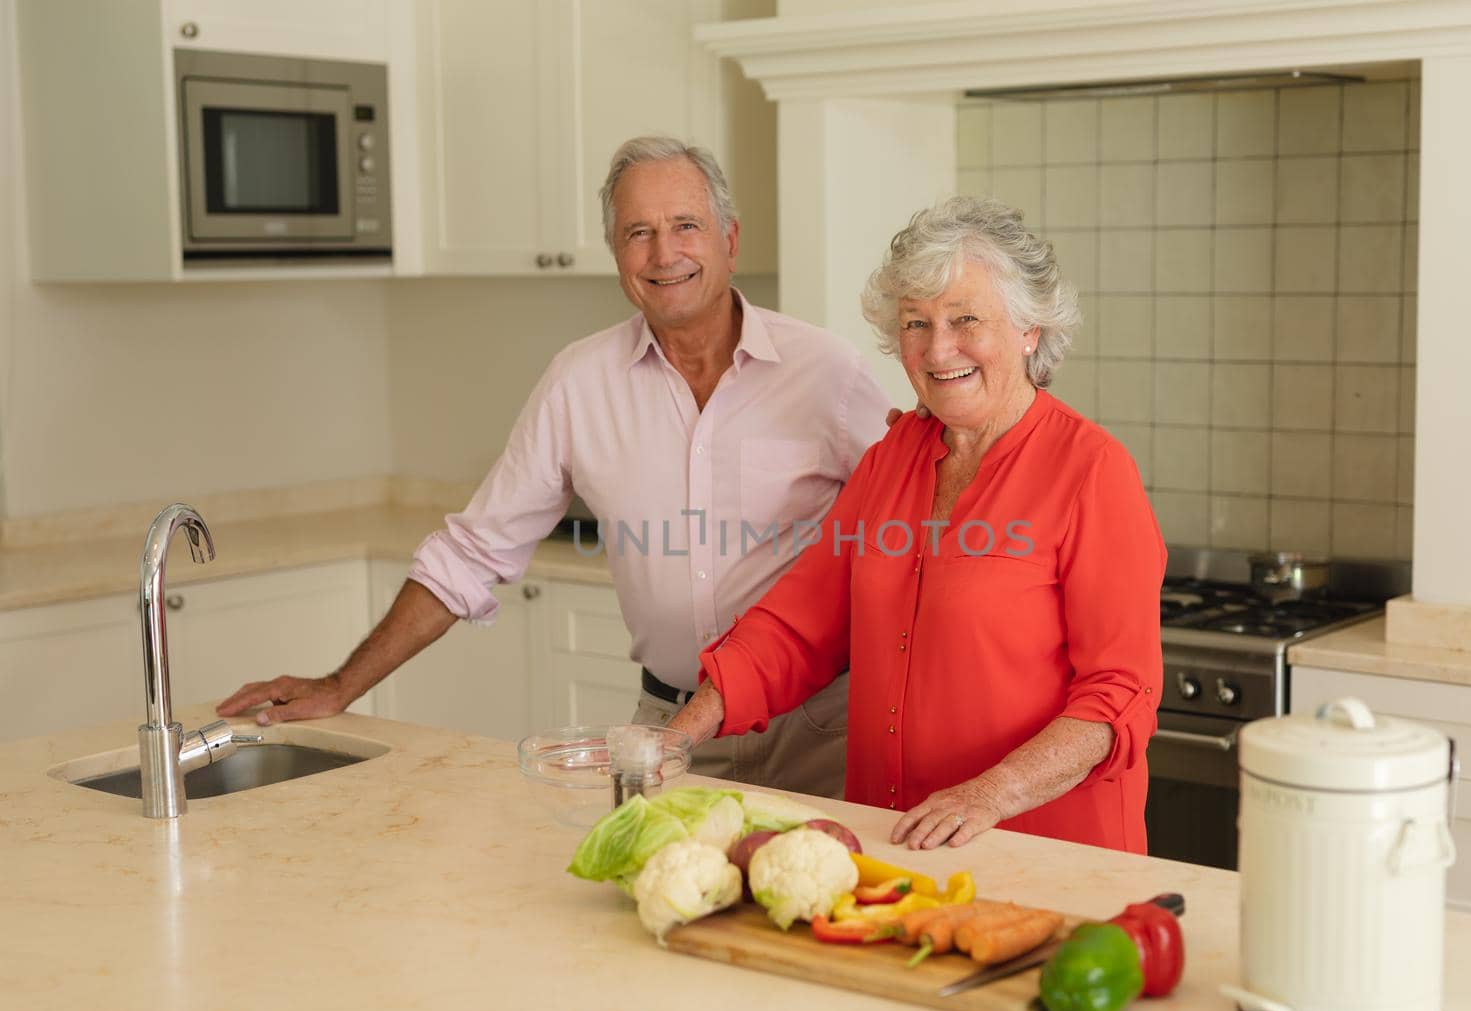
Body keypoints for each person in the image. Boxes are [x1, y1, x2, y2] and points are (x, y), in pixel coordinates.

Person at [217, 136, 891, 799]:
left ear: (729, 240)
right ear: (617, 255)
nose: (664, 253)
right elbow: (472, 552)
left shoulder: (826, 374)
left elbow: (913, 528)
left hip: (816, 734)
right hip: (665, 733)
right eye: (638, 233)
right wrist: (340, 685)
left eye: (686, 225)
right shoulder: (579, 382)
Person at [666, 196, 1166, 850]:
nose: (938, 348)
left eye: (965, 319)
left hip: (1044, 852)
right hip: (895, 843)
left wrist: (991, 792)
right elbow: (798, 626)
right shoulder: (889, 461)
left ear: (1029, 329)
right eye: (915, 323)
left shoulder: (1093, 471)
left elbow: (1118, 696)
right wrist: (671, 739)